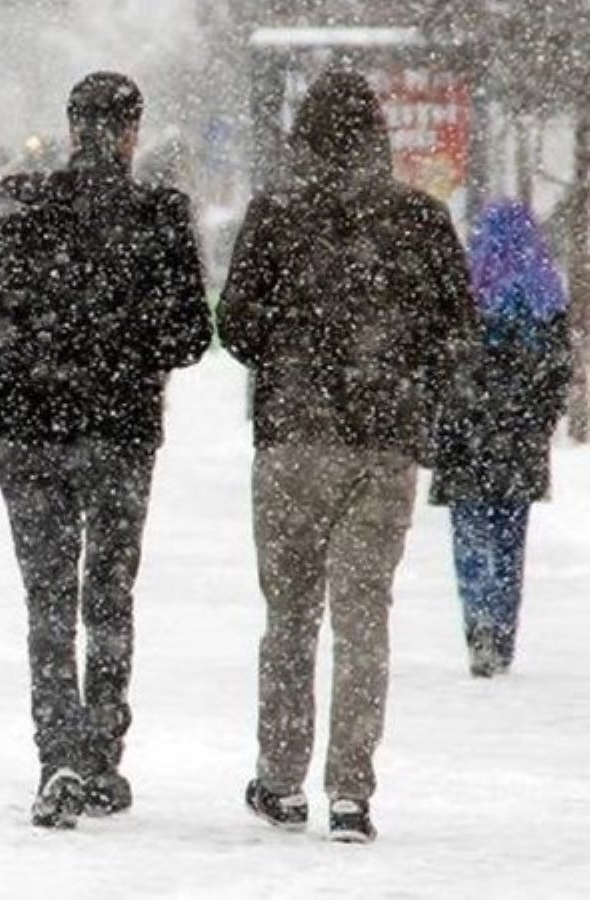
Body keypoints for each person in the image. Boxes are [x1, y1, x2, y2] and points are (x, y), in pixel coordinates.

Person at [217, 70, 480, 844]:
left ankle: (281, 778)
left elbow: (234, 325)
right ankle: (351, 792)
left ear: (304, 137)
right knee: (365, 621)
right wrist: (402, 371)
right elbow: (459, 330)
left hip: (295, 440)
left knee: (291, 615)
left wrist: (292, 351)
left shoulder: (276, 215)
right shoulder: (419, 219)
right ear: (380, 136)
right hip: (385, 444)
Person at [0, 71, 212, 827]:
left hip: (31, 433)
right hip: (119, 432)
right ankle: (104, 754)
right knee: (108, 594)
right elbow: (189, 337)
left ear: (72, 125)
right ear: (132, 129)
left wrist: (6, 410)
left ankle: (59, 756)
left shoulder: (20, 206)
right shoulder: (159, 214)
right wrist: (125, 345)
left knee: (46, 599)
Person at [430, 199, 574, 677]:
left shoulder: (467, 286)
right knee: (511, 541)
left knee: (470, 537)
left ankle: (479, 629)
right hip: (518, 439)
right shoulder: (546, 294)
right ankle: (503, 632)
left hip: (466, 435)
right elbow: (557, 370)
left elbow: (441, 362)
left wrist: (445, 414)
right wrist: (540, 420)